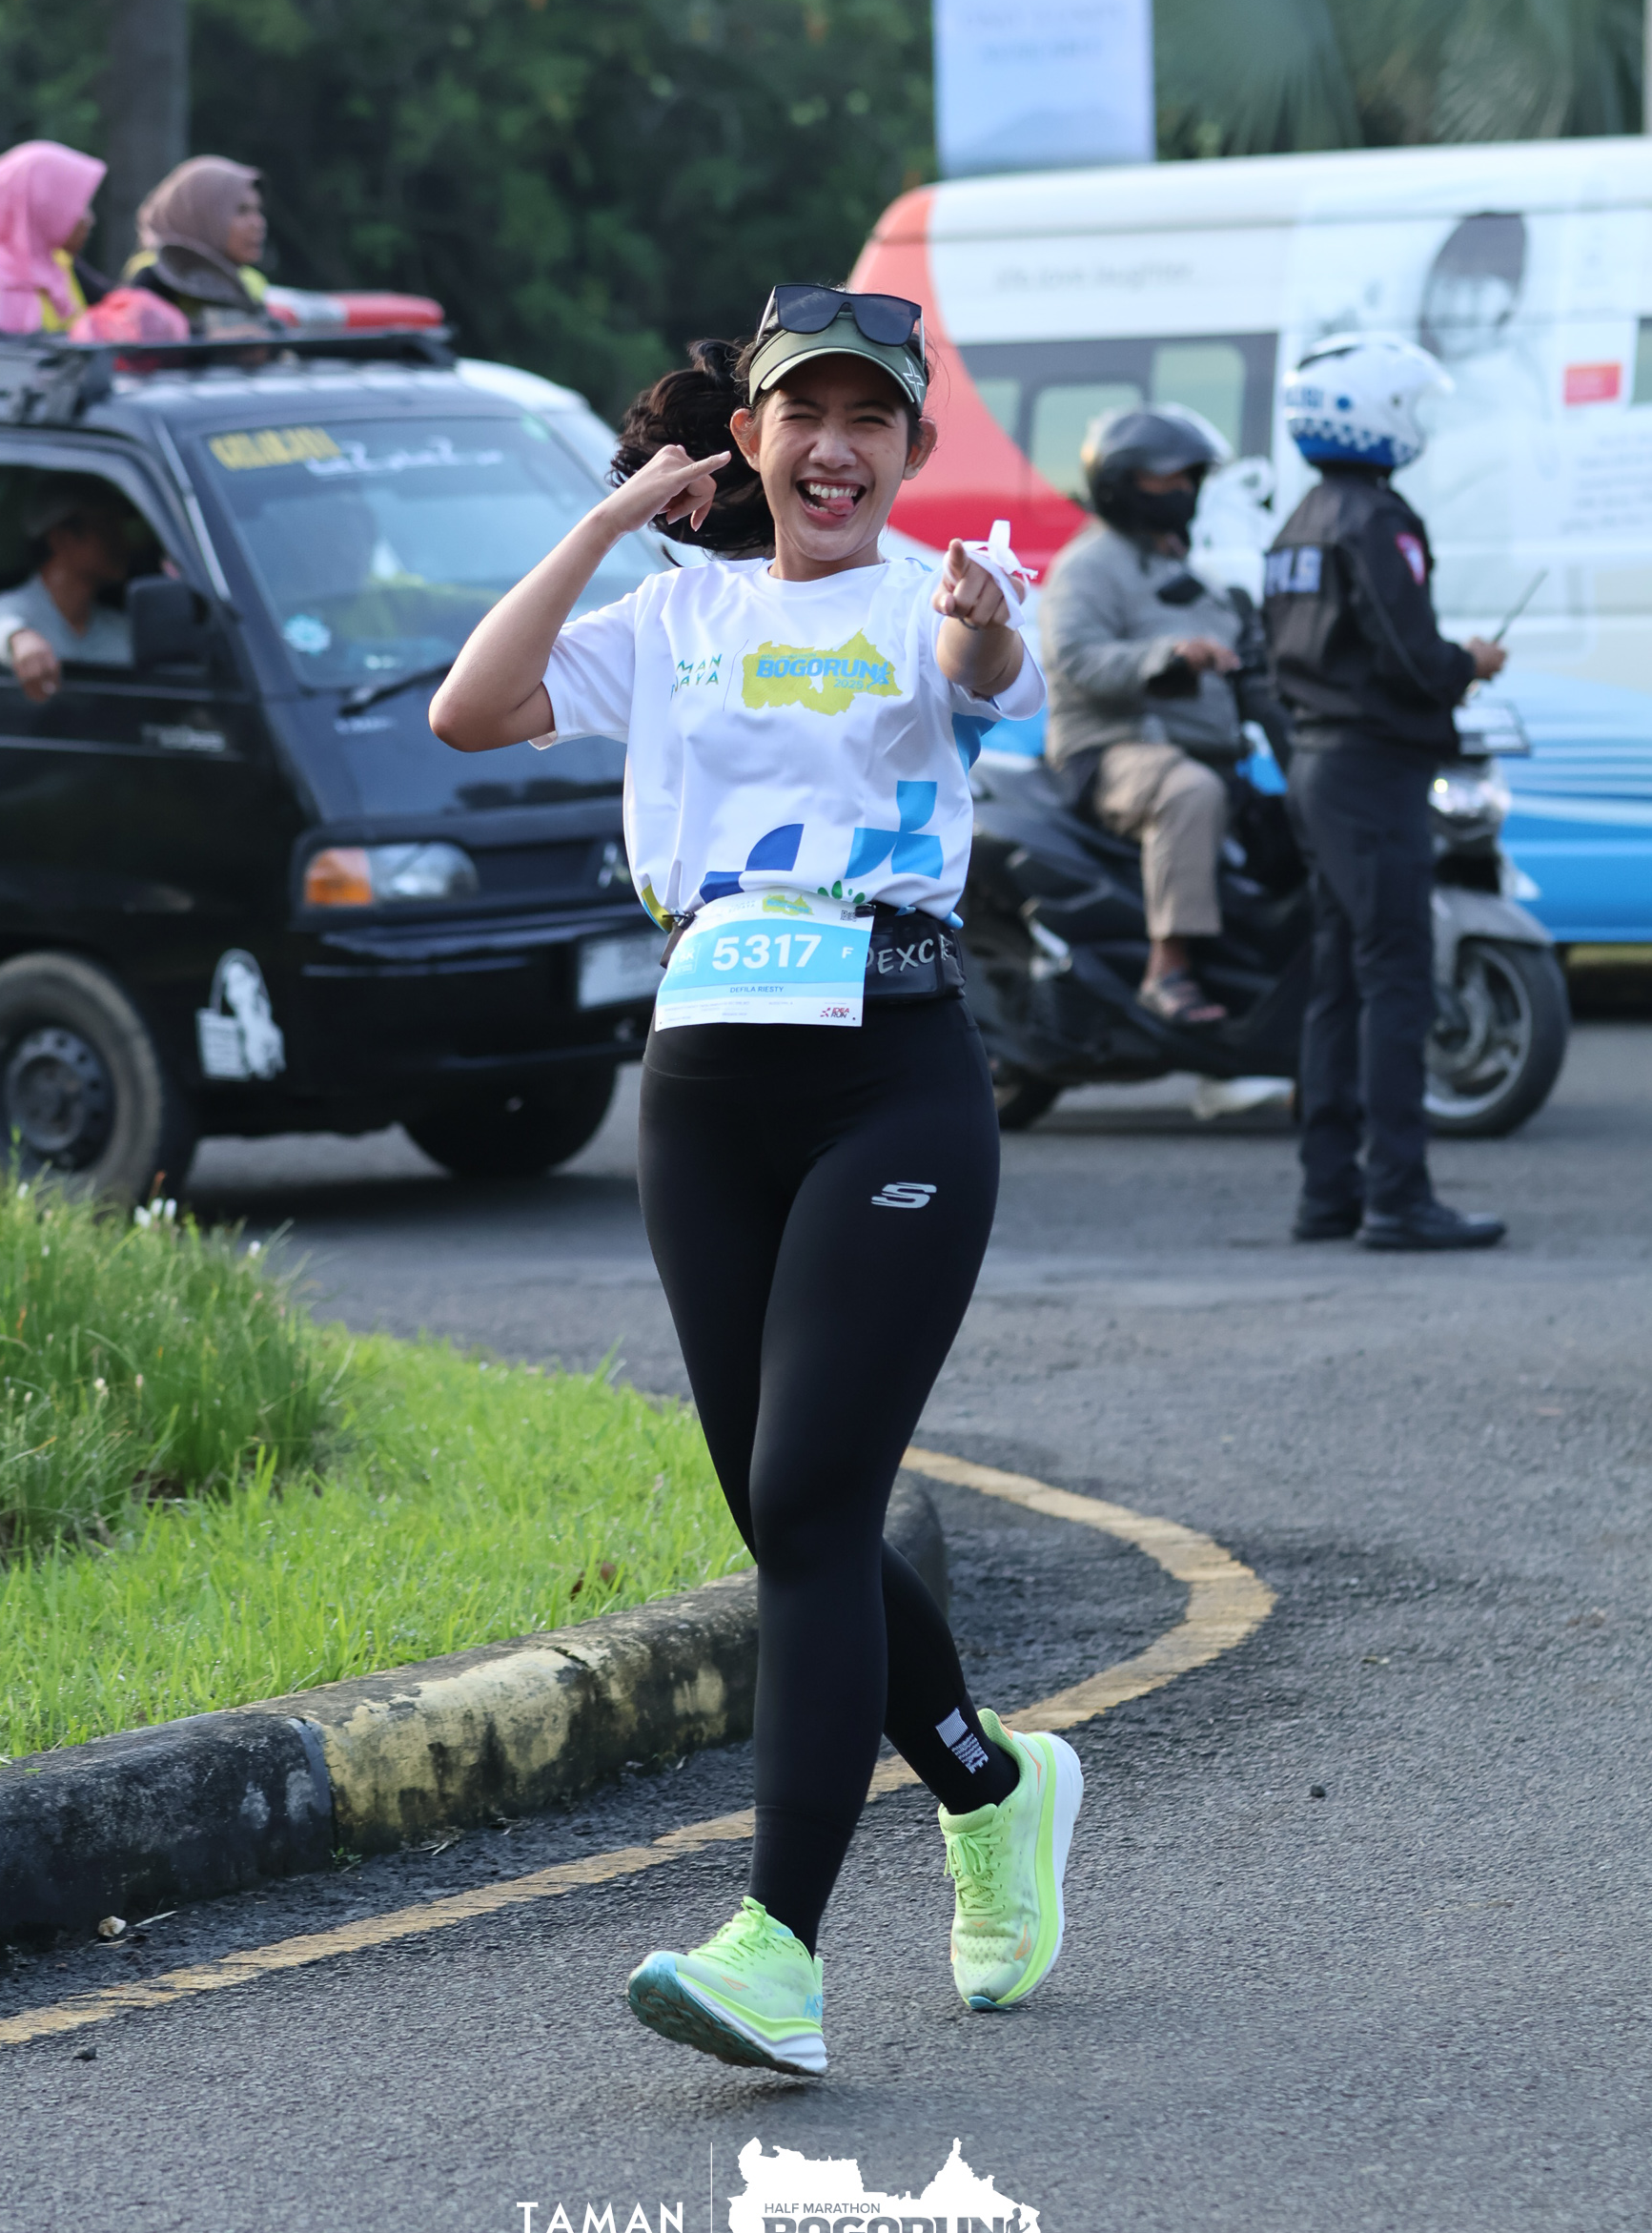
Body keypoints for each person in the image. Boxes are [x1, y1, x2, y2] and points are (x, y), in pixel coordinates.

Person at [429, 286, 1083, 2077]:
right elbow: (471, 711)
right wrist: (609, 520)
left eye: (874, 420)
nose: (837, 448)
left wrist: (978, 633)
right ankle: (992, 1786)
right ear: (753, 438)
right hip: (705, 1083)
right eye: (807, 414)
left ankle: (777, 1950)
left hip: (894, 1077)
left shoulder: (946, 593)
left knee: (807, 1493)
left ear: (914, 449)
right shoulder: (676, 615)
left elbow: (989, 679)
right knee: (790, 1518)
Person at [1265, 332, 1507, 1252]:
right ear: (1375, 416)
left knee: (1336, 985)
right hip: (1373, 773)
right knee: (1396, 981)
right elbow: (1410, 655)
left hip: (1317, 766)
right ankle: (1399, 1197)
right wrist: (1468, 663)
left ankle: (1328, 1193)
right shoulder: (1377, 520)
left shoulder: (1298, 521)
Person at [1039, 403, 1280, 1025]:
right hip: (1111, 750)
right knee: (1190, 793)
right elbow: (1075, 660)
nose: (1182, 492)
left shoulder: (1179, 566)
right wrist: (1168, 654)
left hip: (1196, 751)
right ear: (1121, 484)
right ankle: (1167, 971)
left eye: (1188, 479)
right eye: (1165, 479)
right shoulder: (1089, 565)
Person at [0, 480, 136, 703]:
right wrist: (20, 640)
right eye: (106, 526)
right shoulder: (16, 612)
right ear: (61, 539)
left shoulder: (121, 631)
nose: (123, 541)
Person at [0, 141, 109, 338]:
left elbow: (119, 301)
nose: (89, 219)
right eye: (76, 204)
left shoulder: (57, 265)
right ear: (40, 207)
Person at [125, 156, 277, 333]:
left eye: (258, 210)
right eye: (241, 211)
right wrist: (211, 337)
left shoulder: (249, 279)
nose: (259, 223)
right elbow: (140, 334)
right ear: (200, 213)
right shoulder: (159, 269)